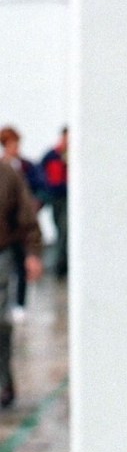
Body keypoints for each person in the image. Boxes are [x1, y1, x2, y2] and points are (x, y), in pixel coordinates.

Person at [0, 161, 43, 407]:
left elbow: (26, 215)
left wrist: (33, 253)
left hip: (1, 254)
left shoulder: (7, 174)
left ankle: (3, 381)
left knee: (0, 322)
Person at [0, 126, 44, 322]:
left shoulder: (16, 170)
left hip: (10, 238)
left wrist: (33, 251)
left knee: (14, 273)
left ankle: (19, 304)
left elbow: (26, 210)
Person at [39, 127, 67, 278]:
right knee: (59, 228)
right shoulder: (52, 155)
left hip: (66, 197)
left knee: (64, 229)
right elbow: (41, 172)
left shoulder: (70, 156)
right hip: (55, 197)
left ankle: (61, 265)